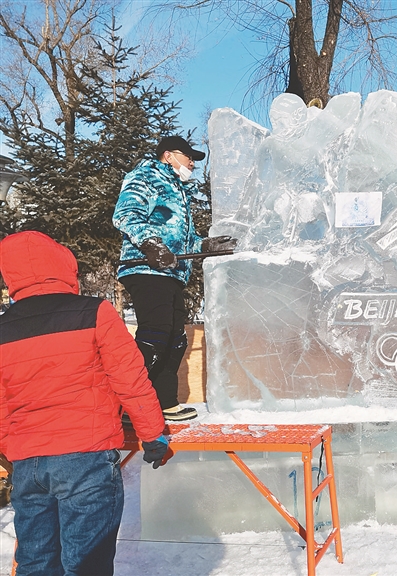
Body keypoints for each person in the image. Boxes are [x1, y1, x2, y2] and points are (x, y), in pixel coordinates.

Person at [0, 230, 169, 576]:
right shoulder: (94, 312)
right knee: (86, 564)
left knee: (36, 563)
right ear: (63, 264)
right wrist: (153, 434)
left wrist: (9, 450)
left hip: (28, 465)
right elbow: (130, 379)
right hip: (85, 459)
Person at [113, 135, 236, 421]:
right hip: (144, 267)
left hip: (171, 272)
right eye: (188, 156)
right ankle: (126, 405)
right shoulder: (146, 176)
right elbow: (126, 215)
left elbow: (181, 240)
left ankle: (164, 401)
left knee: (175, 339)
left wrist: (204, 246)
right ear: (168, 155)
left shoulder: (178, 189)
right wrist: (151, 244)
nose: (192, 162)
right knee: (155, 334)